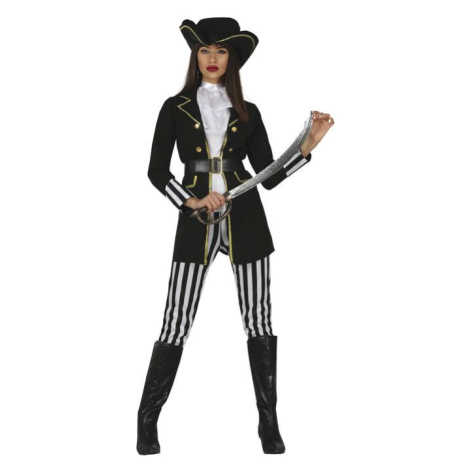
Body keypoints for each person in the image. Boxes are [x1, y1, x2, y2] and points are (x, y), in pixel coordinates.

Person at [137, 17, 335, 455]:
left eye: (221, 51)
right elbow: (156, 170)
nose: (212, 58)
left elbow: (268, 176)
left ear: (233, 59)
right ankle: (146, 421)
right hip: (196, 221)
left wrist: (307, 146)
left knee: (259, 319)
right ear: (195, 55)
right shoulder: (174, 107)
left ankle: (269, 423)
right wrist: (189, 201)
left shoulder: (250, 111)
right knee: (176, 319)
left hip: (246, 217)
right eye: (205, 50)